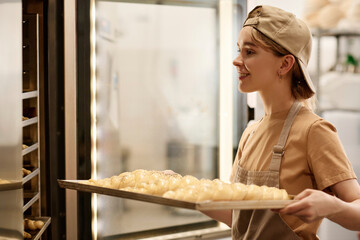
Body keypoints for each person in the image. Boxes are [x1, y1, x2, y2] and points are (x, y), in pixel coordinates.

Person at [201, 5, 360, 239]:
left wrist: (331, 206)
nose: (237, 61)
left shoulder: (313, 131)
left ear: (285, 64)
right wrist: (190, 195)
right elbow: (240, 218)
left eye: (250, 52)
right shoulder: (251, 132)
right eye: (239, 50)